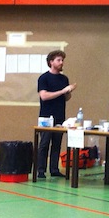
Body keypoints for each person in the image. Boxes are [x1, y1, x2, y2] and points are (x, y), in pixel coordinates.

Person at [37, 50, 76, 179]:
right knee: (44, 144)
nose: (61, 62)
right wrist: (62, 91)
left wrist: (68, 92)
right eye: (58, 60)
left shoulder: (64, 79)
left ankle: (54, 169)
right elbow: (44, 96)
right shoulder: (44, 78)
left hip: (60, 116)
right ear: (51, 62)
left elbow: (66, 98)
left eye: (62, 60)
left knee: (57, 143)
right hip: (46, 117)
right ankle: (41, 170)